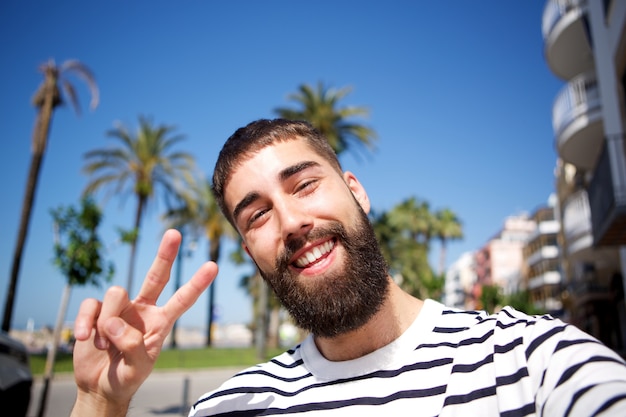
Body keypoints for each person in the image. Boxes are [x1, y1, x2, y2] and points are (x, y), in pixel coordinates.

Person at [71, 119, 626, 416]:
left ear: (356, 192)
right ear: (249, 252)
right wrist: (100, 403)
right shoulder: (231, 407)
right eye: (257, 214)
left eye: (305, 184)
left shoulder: (530, 358)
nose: (289, 222)